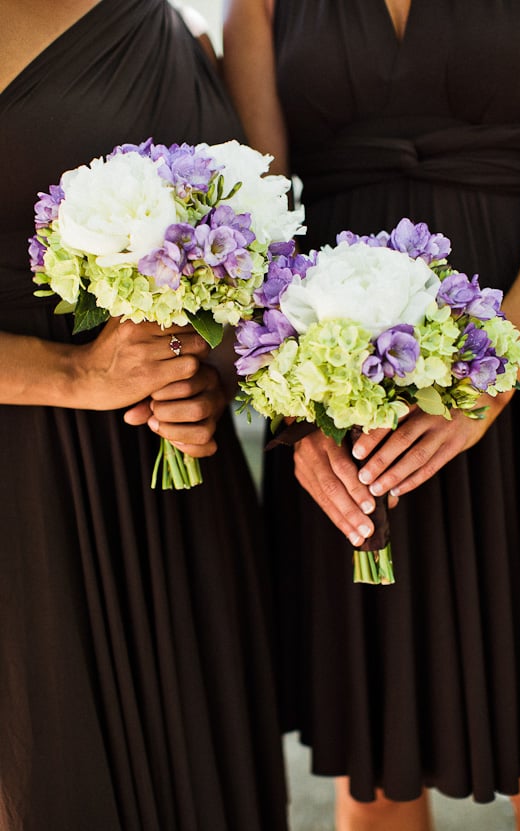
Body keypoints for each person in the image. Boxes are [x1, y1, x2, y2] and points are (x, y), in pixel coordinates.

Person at [223, 1, 520, 829]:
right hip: (343, 406)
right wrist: (299, 418)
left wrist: (495, 375)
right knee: (377, 756)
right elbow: (254, 221)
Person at [0, 1, 289, 829]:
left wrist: (214, 381)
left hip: (183, 494)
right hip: (29, 492)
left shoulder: (187, 34)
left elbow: (248, 284)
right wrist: (75, 372)